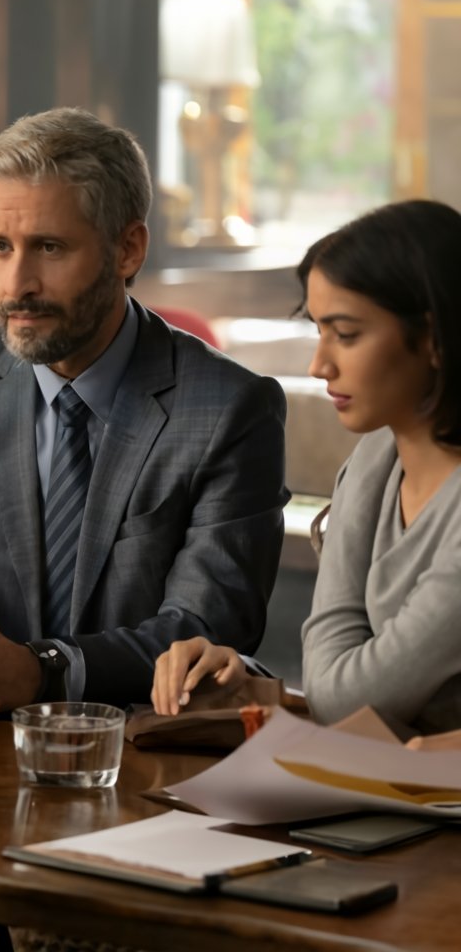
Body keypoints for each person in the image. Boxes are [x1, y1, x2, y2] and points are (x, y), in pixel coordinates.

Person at [0, 106, 288, 713]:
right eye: (0, 246)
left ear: (127, 249)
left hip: (143, 757)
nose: (17, 283)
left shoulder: (230, 408)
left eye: (48, 247)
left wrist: (39, 671)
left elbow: (207, 629)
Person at [152, 200, 461, 742]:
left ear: (433, 339)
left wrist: (319, 692)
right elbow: (334, 684)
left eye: (345, 334)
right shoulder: (375, 459)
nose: (320, 365)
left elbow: (344, 696)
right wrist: (241, 678)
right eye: (317, 330)